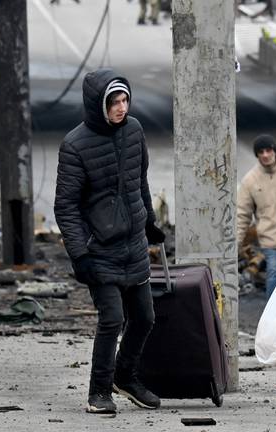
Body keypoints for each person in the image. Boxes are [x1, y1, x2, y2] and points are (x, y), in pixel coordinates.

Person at [54, 68, 165, 414]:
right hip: (99, 250)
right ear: (96, 104)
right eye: (113, 102)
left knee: (145, 318)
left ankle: (125, 376)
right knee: (112, 319)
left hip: (133, 246)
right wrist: (79, 255)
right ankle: (99, 392)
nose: (121, 107)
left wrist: (149, 221)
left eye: (124, 99)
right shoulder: (74, 145)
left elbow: (139, 181)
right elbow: (66, 206)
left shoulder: (134, 130)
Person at [236, 134, 276, 299]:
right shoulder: (250, 180)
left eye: (268, 150)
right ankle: (273, 315)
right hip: (271, 240)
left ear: (274, 151)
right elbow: (242, 214)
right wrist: (235, 245)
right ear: (256, 155)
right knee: (274, 274)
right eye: (260, 152)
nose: (265, 155)